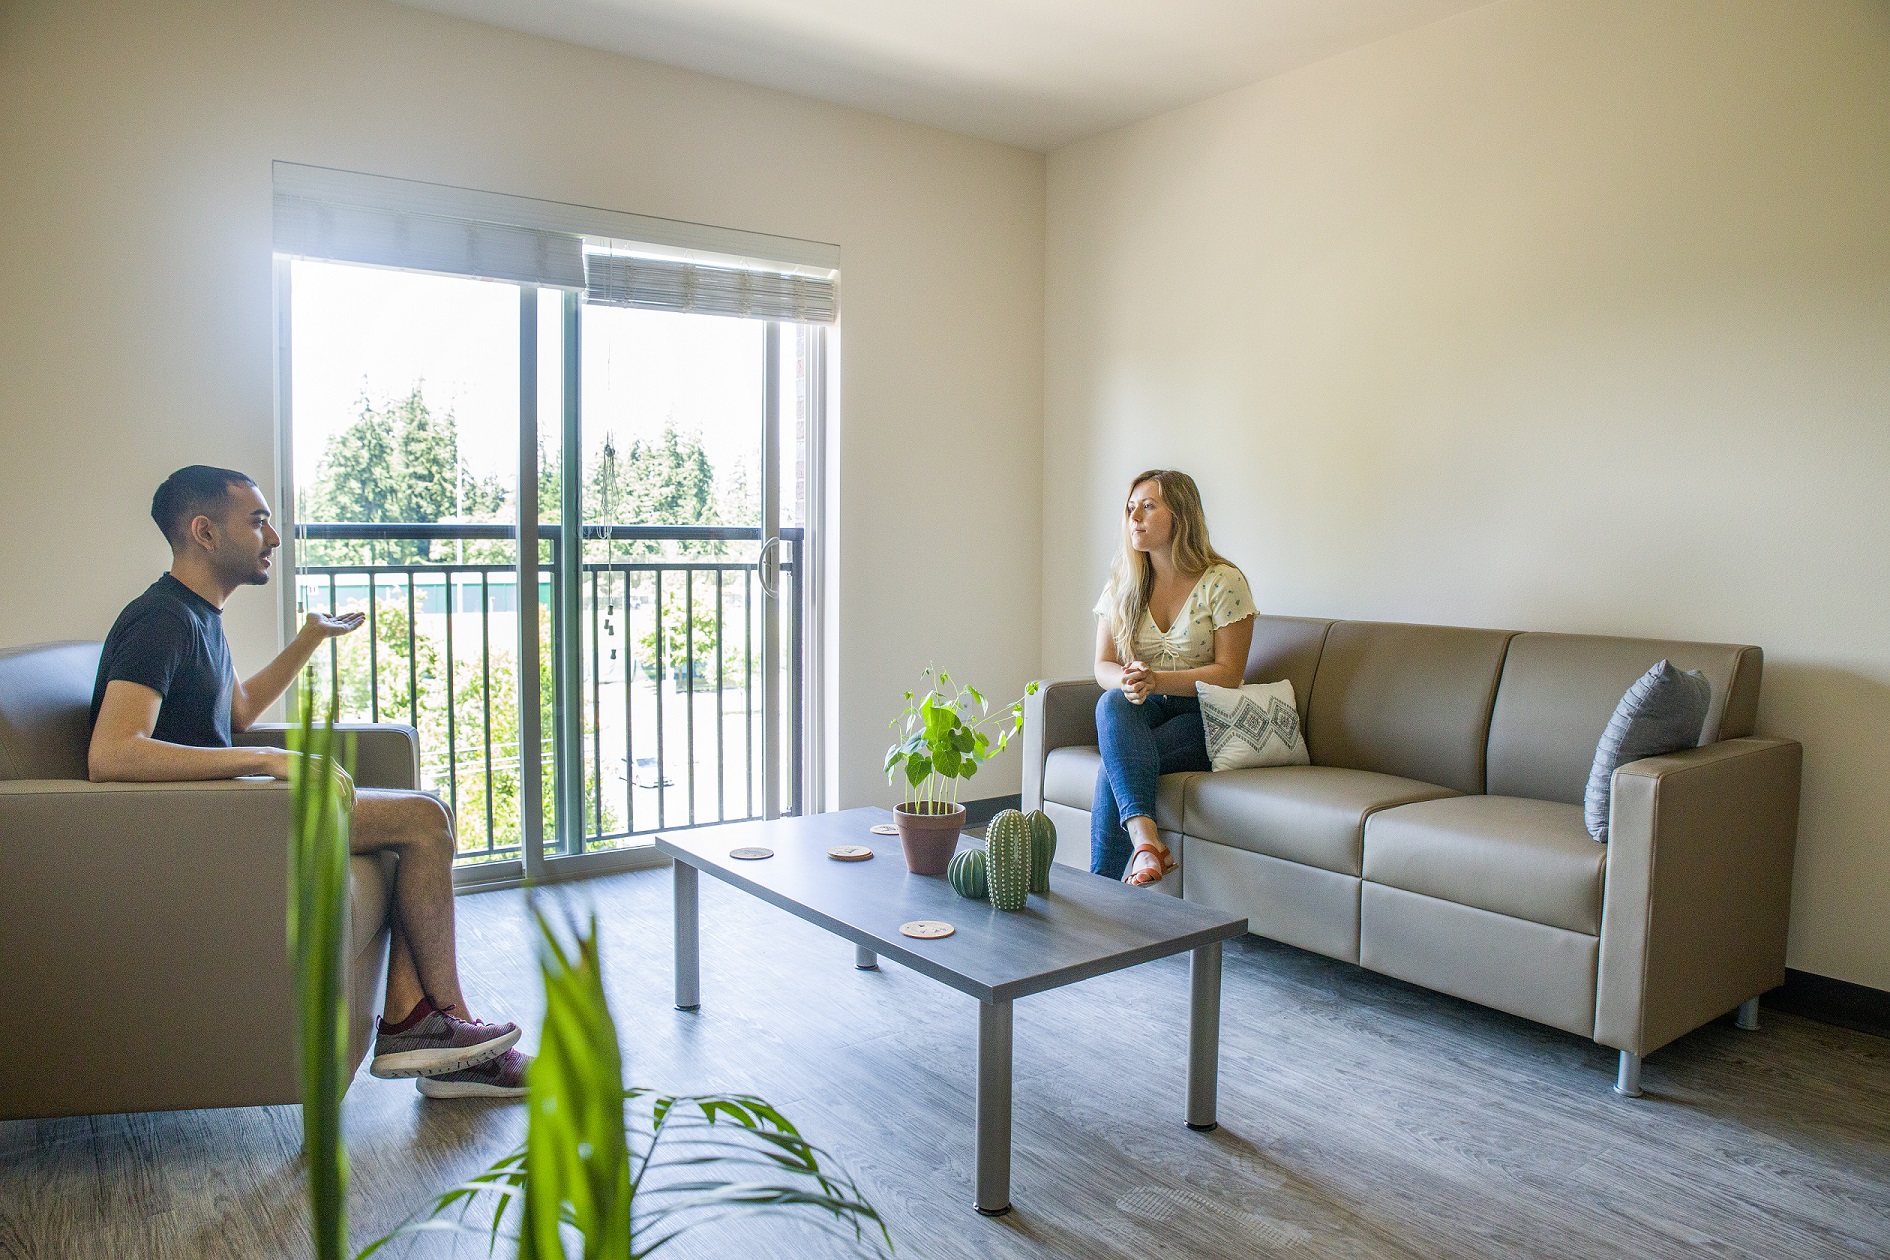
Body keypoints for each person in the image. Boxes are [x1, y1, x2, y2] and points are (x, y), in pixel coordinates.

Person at [88, 465, 529, 1099]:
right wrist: (265, 762)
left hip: (228, 816)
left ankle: (418, 1025)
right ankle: (451, 1027)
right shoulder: (158, 620)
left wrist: (309, 638)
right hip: (208, 829)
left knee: (413, 827)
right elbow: (113, 752)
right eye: (258, 521)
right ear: (204, 530)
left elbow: (234, 713)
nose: (271, 538)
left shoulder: (197, 614)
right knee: (426, 820)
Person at [1092, 469, 1256, 886]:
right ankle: (1146, 843)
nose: (1135, 517)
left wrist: (1158, 681)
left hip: (1207, 714)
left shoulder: (1223, 581)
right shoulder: (1123, 584)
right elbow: (1103, 666)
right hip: (1145, 706)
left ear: (1181, 515)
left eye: (1148, 506)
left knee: (1114, 769)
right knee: (1111, 701)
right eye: (1130, 508)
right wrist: (1129, 681)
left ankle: (1099, 889)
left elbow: (1230, 675)